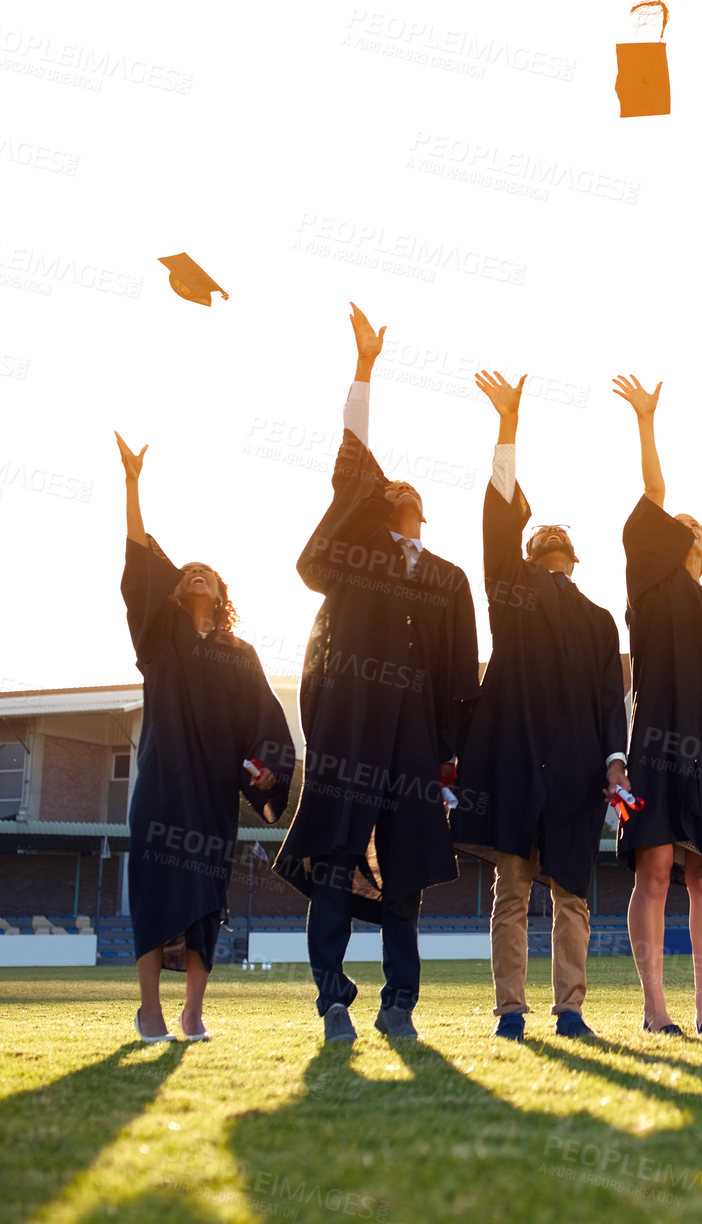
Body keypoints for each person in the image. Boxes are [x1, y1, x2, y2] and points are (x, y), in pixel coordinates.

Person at [275, 303, 480, 1044]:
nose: (394, 506)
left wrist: (448, 752)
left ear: (420, 517)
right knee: (333, 861)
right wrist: (363, 371)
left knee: (403, 877)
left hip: (413, 748)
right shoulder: (352, 566)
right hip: (351, 737)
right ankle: (334, 998)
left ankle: (398, 1004)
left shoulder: (449, 581)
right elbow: (353, 460)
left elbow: (462, 673)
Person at [452, 368, 629, 1041]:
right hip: (545, 766)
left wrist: (613, 762)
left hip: (553, 768)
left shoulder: (582, 615)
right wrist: (507, 429)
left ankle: (531, 1011)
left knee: (531, 894)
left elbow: (611, 700)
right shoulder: (531, 598)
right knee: (552, 896)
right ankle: (550, 1010)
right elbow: (497, 520)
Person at [115, 432, 293, 1043]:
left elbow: (266, 722)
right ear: (173, 592)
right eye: (187, 572)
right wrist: (133, 484)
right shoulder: (157, 641)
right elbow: (139, 554)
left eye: (207, 574)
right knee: (153, 891)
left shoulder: (239, 655)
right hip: (162, 788)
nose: (195, 574)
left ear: (222, 595)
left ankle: (191, 1013)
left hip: (211, 797)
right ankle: (151, 1012)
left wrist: (269, 769)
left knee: (202, 900)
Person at [613, 374, 702, 1036]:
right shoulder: (650, 588)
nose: (677, 527)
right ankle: (654, 1008)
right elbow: (653, 496)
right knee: (658, 869)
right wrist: (645, 422)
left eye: (687, 527)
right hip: (658, 743)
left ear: (701, 543)